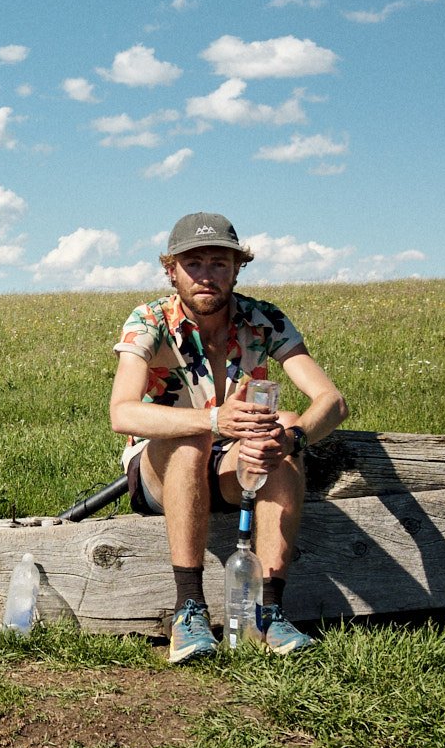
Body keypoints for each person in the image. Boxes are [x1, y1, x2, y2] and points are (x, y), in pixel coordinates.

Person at [108, 212, 349, 662]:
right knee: (190, 434)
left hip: (230, 469)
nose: (206, 276)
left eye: (219, 263)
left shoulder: (264, 318)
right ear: (171, 270)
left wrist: (291, 440)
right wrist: (215, 420)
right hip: (163, 468)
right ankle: (189, 611)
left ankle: (268, 614)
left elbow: (331, 402)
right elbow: (121, 413)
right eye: (193, 263)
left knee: (285, 424)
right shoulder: (150, 320)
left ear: (237, 268)